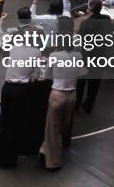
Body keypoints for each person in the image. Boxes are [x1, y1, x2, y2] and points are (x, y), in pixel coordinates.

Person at [0, 7, 45, 168]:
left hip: (7, 88)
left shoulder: (13, 47)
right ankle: (9, 160)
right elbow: (34, 77)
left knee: (4, 124)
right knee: (16, 126)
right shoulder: (36, 52)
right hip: (21, 91)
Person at [39, 17, 82, 171]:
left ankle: (53, 162)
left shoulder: (54, 56)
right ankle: (46, 149)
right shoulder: (77, 55)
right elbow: (82, 71)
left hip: (57, 95)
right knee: (63, 126)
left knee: (52, 130)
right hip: (72, 95)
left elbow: (48, 76)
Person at [75, 0, 113, 113]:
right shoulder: (107, 19)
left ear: (89, 9)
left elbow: (80, 39)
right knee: (94, 83)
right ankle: (88, 105)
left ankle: (77, 104)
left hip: (86, 56)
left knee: (81, 82)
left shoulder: (85, 23)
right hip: (101, 56)